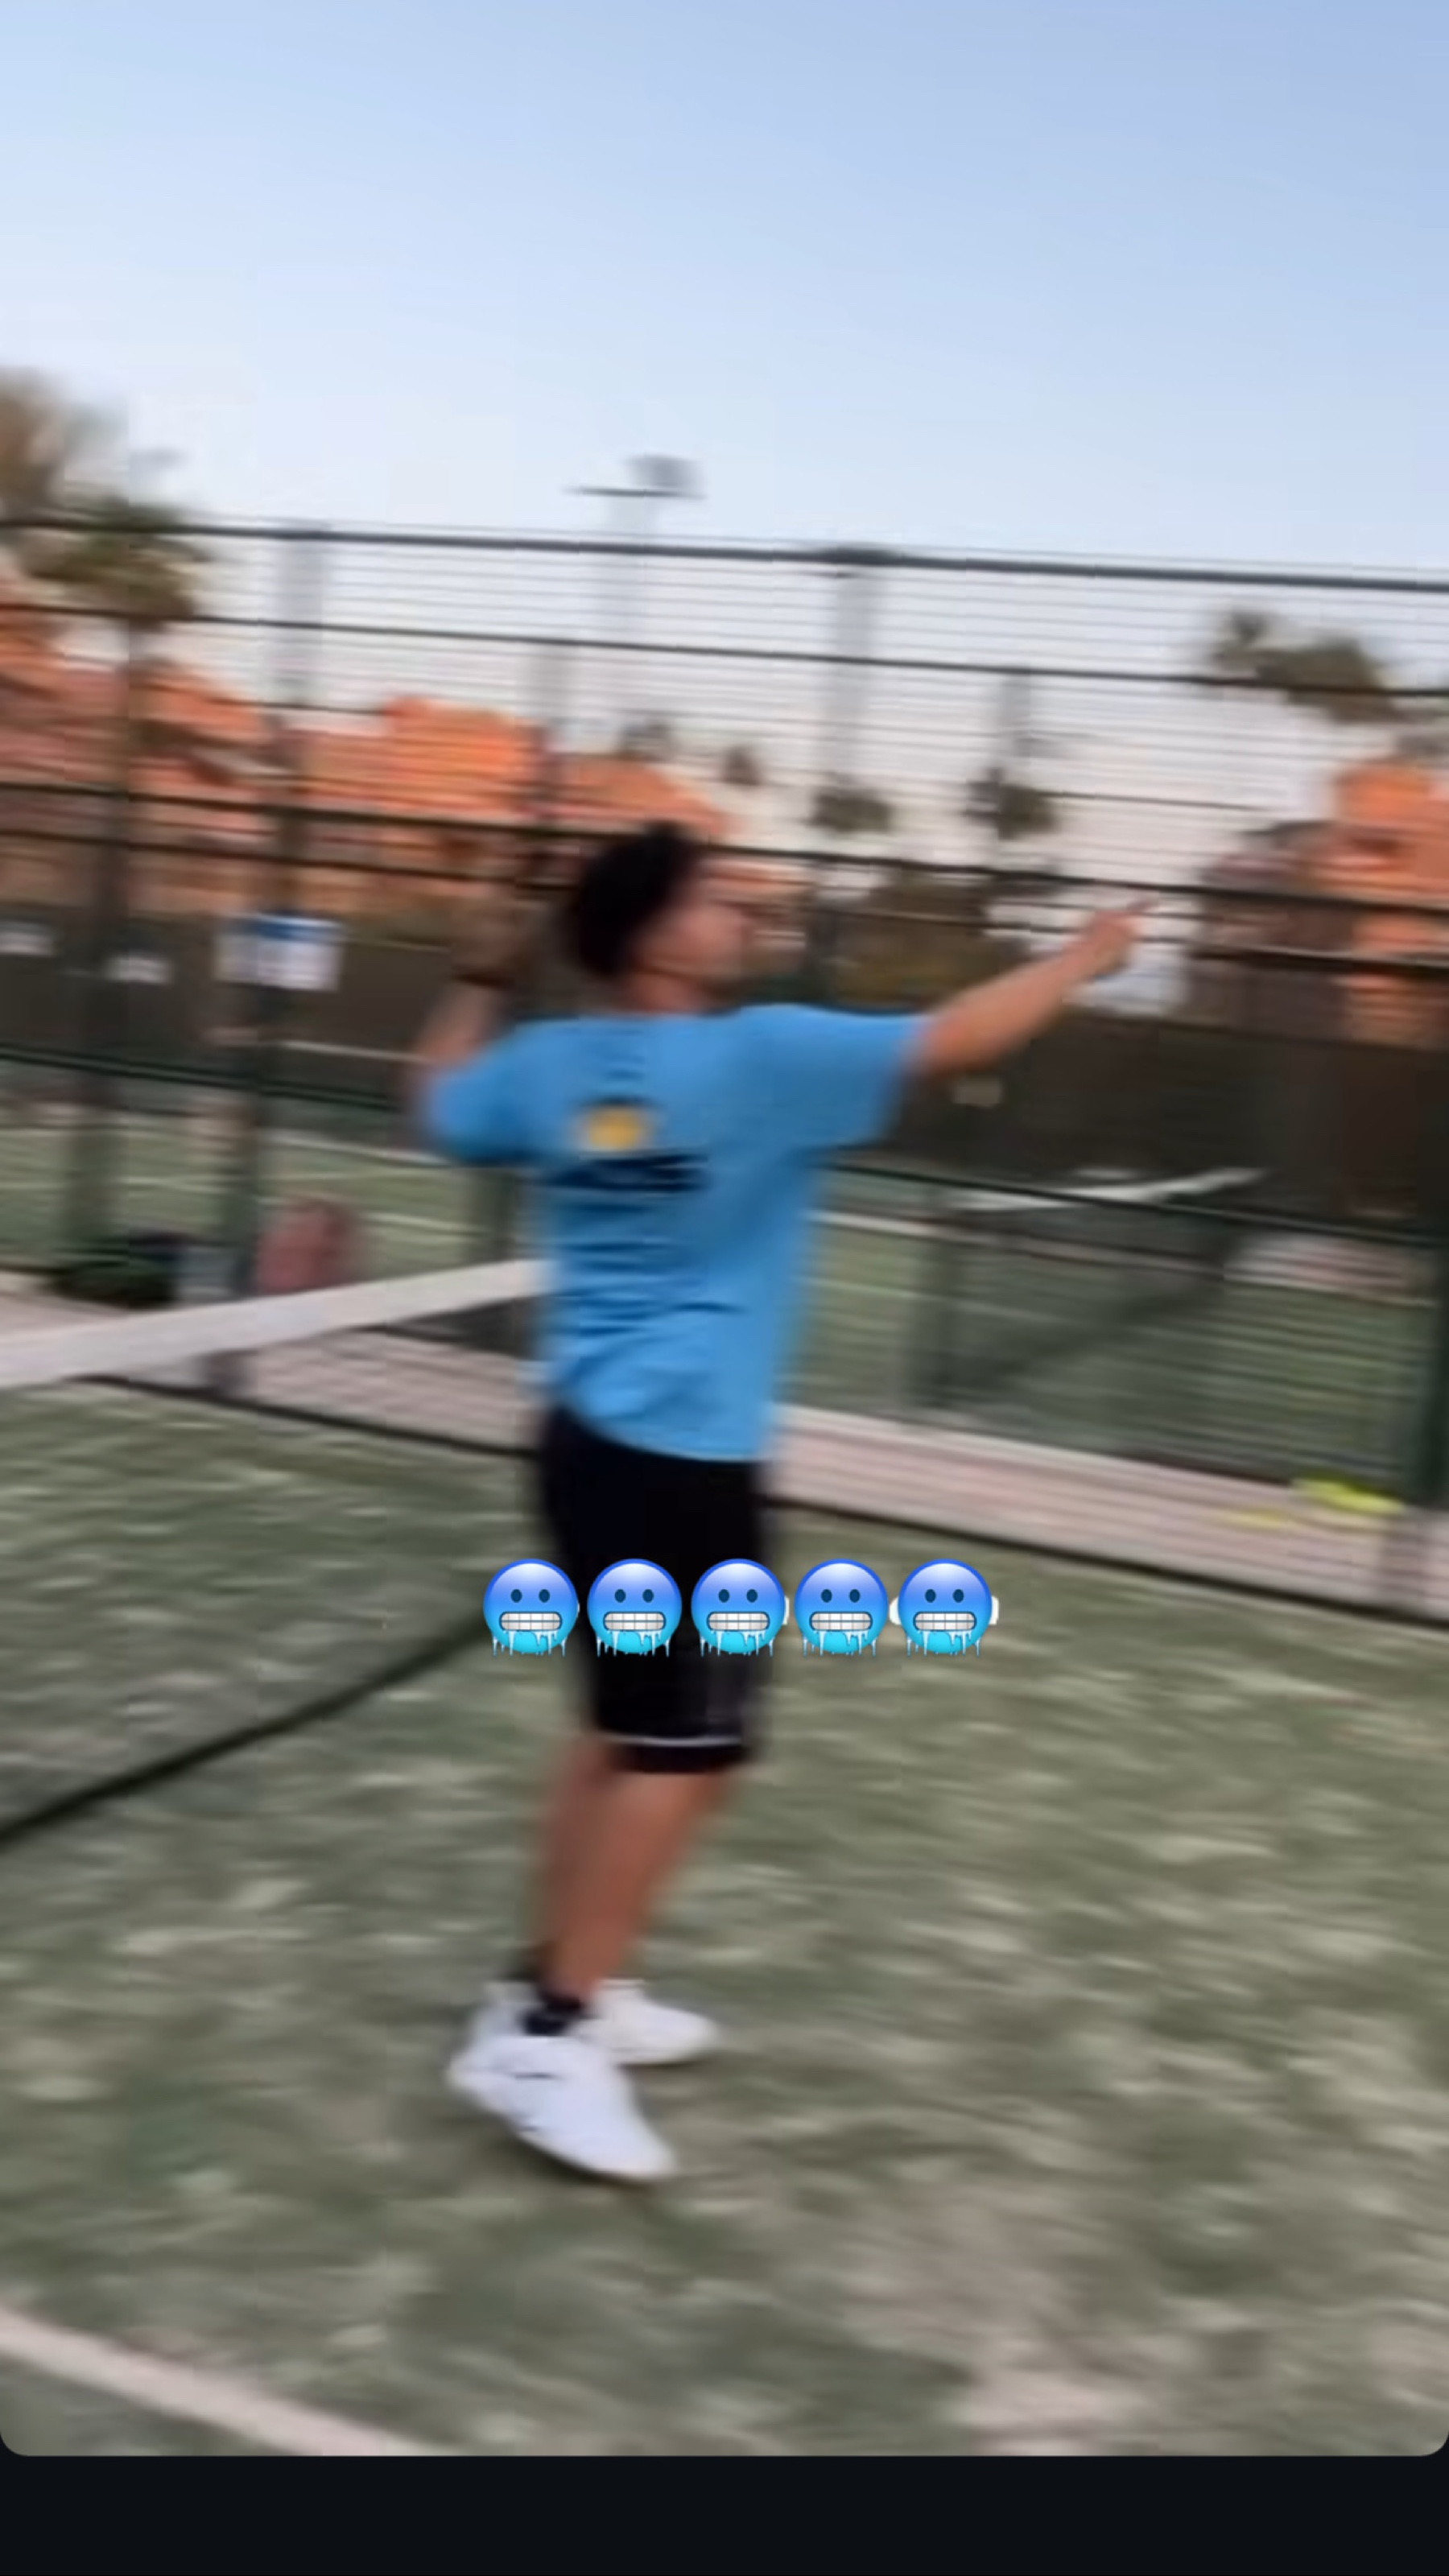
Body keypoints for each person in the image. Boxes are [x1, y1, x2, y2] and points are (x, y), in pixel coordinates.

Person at [411, 823, 1138, 2182]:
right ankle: (549, 2039)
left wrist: (474, 977)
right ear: (650, 932)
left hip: (588, 1448)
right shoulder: (762, 1059)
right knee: (689, 1751)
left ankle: (556, 1985)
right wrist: (1087, 957)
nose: (741, 910)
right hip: (674, 1465)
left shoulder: (548, 1064)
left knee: (620, 1735)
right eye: (713, 896)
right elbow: (960, 1035)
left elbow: (438, 1103)